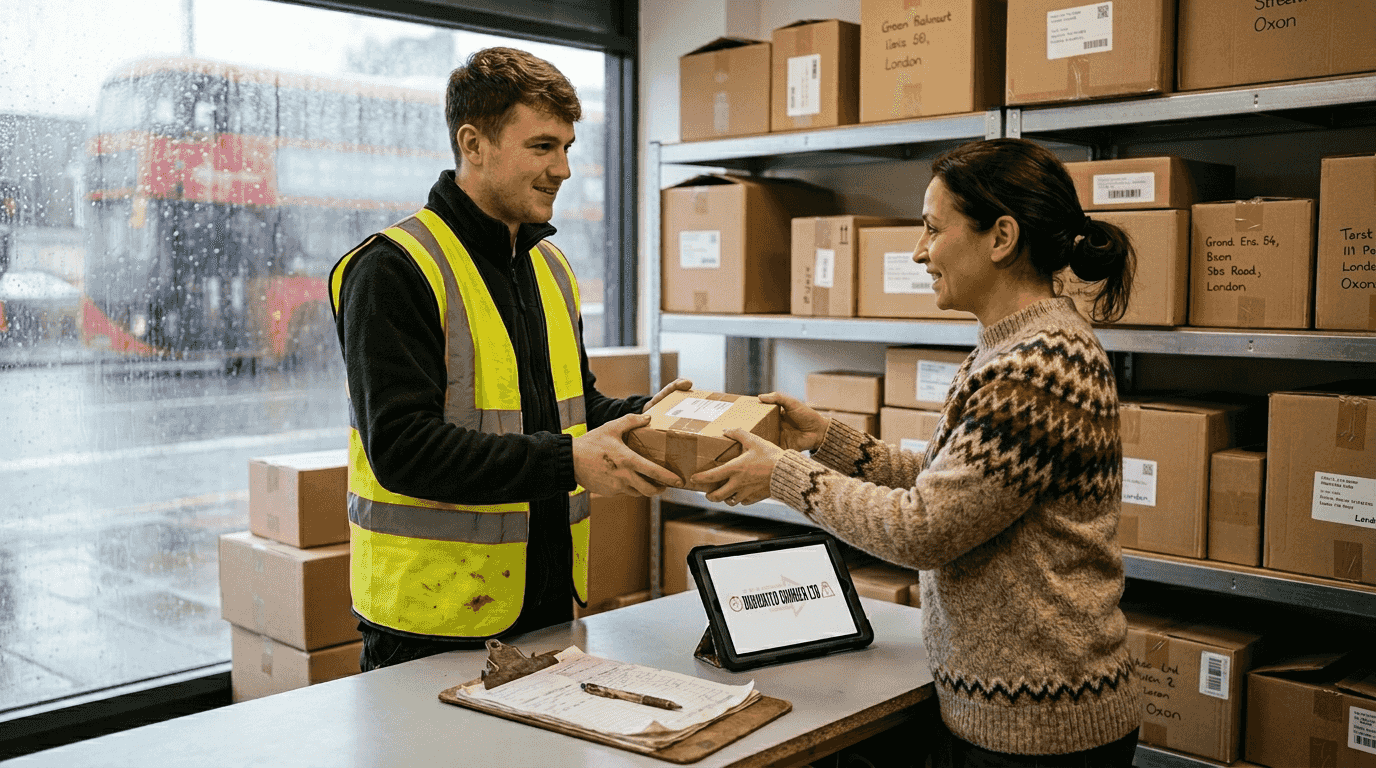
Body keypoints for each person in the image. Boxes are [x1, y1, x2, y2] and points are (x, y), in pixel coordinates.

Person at [694, 138, 1143, 765]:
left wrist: (782, 475)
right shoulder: (1012, 348)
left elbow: (924, 530)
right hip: (1012, 712)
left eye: (932, 230)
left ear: (1001, 236)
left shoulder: (1036, 368)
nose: (918, 251)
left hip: (1041, 725)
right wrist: (824, 441)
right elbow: (946, 488)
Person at [329, 47, 688, 672]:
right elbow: (403, 449)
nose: (564, 169)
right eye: (543, 147)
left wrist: (657, 416)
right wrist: (570, 459)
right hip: (433, 625)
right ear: (474, 143)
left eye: (568, 148)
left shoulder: (548, 266)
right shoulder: (394, 269)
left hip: (546, 603)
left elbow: (573, 407)